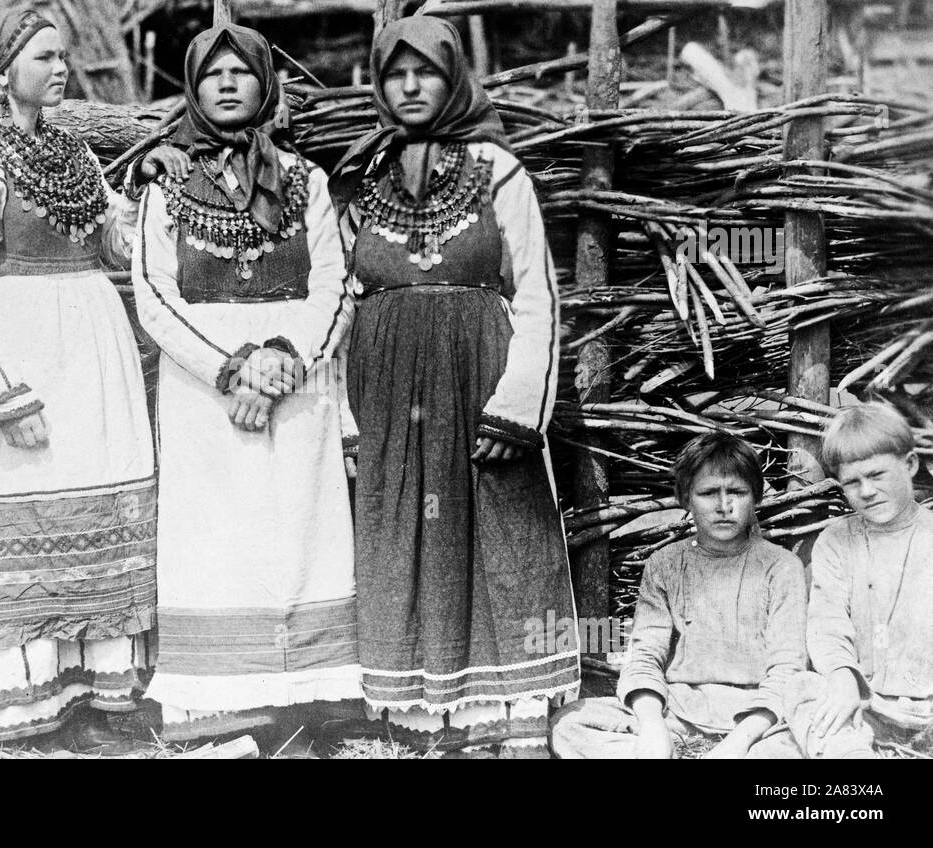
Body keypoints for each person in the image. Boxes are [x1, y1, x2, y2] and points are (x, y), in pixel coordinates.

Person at [0, 2, 175, 752]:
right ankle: (31, 708)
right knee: (24, 512)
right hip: (22, 357)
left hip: (97, 359)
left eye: (63, 57)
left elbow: (118, 245)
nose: (61, 70)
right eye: (44, 59)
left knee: (104, 506)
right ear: (1, 73)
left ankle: (105, 700)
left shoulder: (79, 159)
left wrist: (154, 196)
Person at [328, 17, 577, 756]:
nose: (410, 87)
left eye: (426, 73)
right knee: (403, 531)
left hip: (481, 379)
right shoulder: (357, 179)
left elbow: (537, 295)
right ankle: (421, 714)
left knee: (499, 533)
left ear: (453, 79)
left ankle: (509, 712)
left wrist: (516, 407)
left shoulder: (499, 170)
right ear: (378, 84)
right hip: (388, 393)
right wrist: (343, 415)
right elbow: (334, 304)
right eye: (395, 74)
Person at [131, 23, 359, 753]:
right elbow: (152, 293)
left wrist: (287, 360)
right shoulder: (166, 185)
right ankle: (218, 707)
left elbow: (339, 283)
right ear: (193, 90)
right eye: (212, 75)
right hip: (206, 393)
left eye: (242, 73)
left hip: (300, 385)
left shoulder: (308, 180)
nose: (228, 85)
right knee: (217, 535)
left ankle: (305, 696)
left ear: (266, 85)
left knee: (298, 526)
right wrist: (232, 368)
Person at [550, 432, 806, 759]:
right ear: (686, 498)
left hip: (757, 717)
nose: (724, 506)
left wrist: (738, 743)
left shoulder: (781, 567)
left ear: (755, 497)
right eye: (709, 493)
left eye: (737, 492)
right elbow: (646, 654)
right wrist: (653, 728)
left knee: (797, 745)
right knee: (569, 725)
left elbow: (787, 669)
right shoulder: (666, 564)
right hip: (680, 709)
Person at [784, 402, 933, 758]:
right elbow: (827, 622)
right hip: (866, 703)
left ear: (910, 464)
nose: (866, 491)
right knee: (801, 688)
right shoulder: (837, 540)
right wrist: (841, 677)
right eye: (852, 482)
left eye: (877, 475)